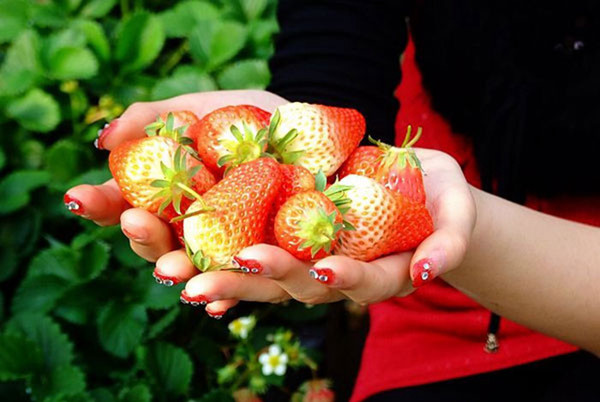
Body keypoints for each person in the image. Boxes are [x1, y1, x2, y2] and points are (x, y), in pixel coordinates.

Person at [65, 1, 600, 401]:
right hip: (427, 268)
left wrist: (467, 228)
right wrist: (299, 118)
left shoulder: (428, 219)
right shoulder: (383, 192)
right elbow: (336, 33)